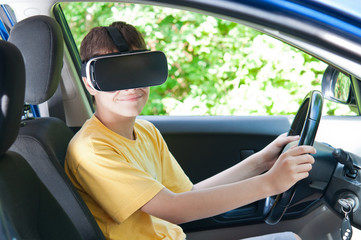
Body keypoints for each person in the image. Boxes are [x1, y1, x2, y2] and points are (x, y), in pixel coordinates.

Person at [64, 21, 316, 240]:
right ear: (89, 84)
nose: (130, 86)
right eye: (114, 74)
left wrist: (261, 162)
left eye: (137, 69)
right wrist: (270, 183)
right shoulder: (92, 150)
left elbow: (187, 194)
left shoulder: (146, 130)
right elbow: (174, 209)